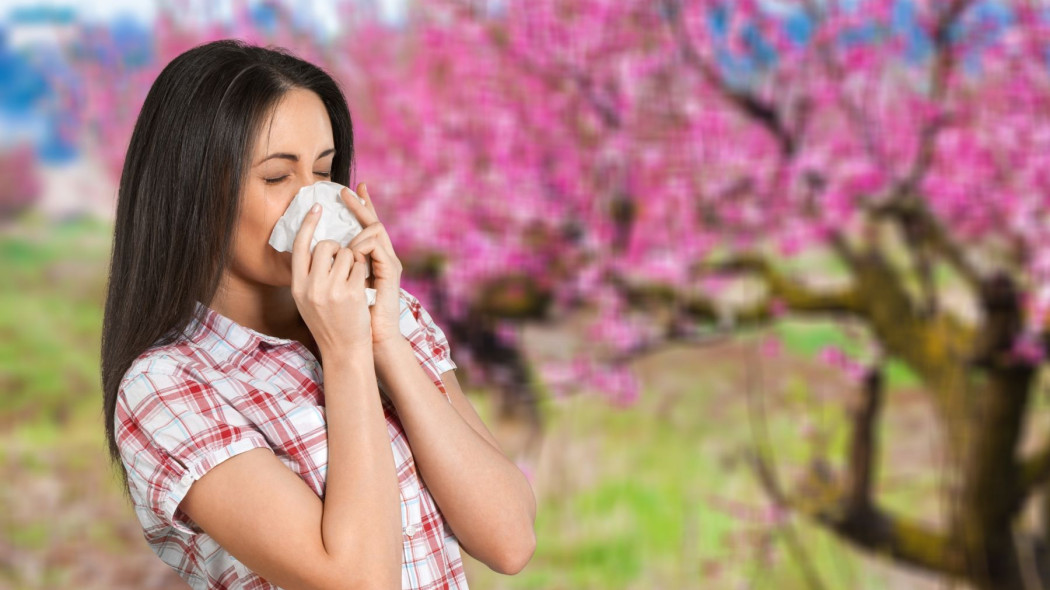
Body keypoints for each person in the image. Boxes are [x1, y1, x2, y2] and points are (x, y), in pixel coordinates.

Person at [99, 39, 536, 589]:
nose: (315, 202)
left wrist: (383, 341)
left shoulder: (389, 317)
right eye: (278, 177)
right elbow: (359, 581)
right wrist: (346, 353)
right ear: (194, 194)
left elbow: (510, 539)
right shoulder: (168, 387)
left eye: (325, 172)